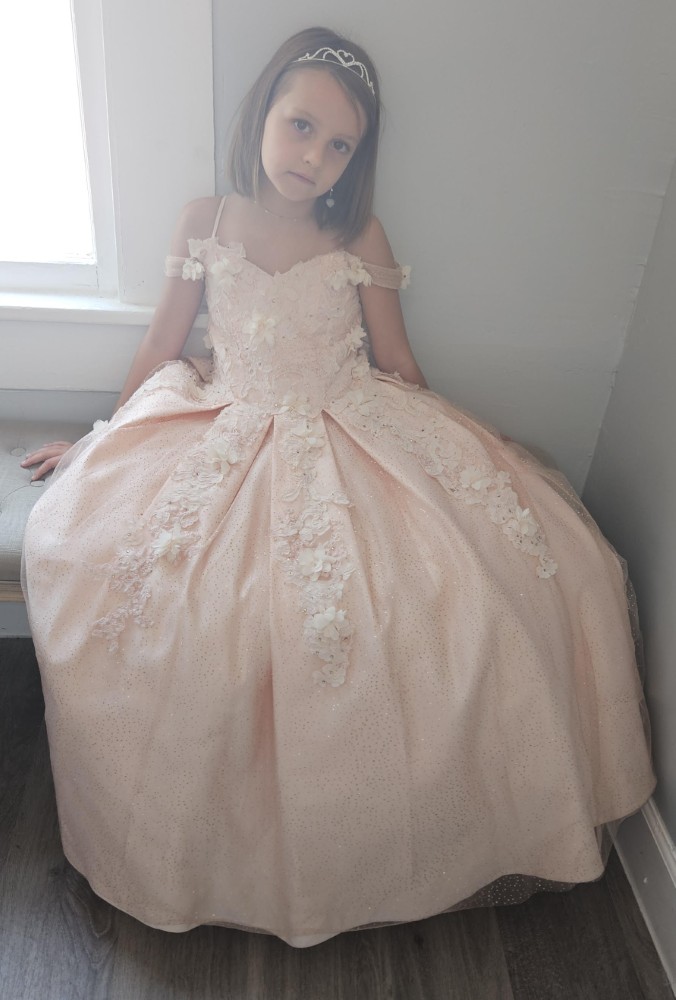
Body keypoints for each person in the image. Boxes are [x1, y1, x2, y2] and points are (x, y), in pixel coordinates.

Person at [22, 26, 655, 947]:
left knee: (488, 583)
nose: (314, 156)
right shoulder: (206, 218)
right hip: (230, 420)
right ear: (263, 113)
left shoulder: (357, 233)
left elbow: (397, 362)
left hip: (351, 417)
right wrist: (100, 439)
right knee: (139, 582)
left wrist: (475, 443)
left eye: (339, 145)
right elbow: (163, 343)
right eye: (301, 126)